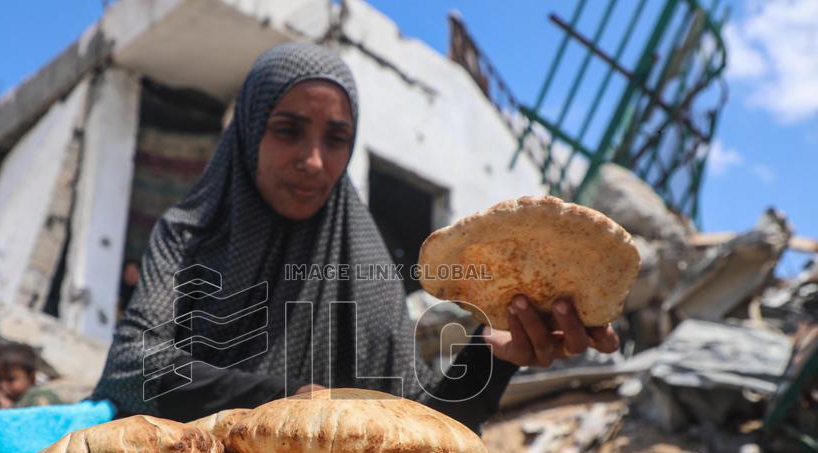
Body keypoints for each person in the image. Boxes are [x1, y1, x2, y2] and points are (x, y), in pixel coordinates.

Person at [92, 42, 618, 428]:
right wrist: (282, 400)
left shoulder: (359, 259)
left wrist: (492, 357)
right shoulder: (188, 237)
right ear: (250, 130)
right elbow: (130, 367)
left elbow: (415, 422)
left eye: (337, 138)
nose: (314, 160)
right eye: (288, 130)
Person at [0, 343, 59, 409]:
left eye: (10, 379)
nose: (3, 385)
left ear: (31, 377)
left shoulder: (40, 399)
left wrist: (8, 410)